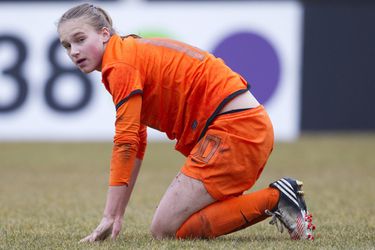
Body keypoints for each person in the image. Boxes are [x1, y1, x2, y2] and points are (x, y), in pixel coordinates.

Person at [57, 3, 315, 243]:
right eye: (67, 46)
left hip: (234, 130)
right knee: (175, 226)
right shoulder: (126, 53)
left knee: (164, 229)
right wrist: (117, 214)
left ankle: (277, 198)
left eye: (80, 39)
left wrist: (109, 215)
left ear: (104, 34)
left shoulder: (120, 63)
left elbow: (125, 142)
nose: (74, 51)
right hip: (242, 127)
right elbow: (136, 141)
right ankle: (277, 198)